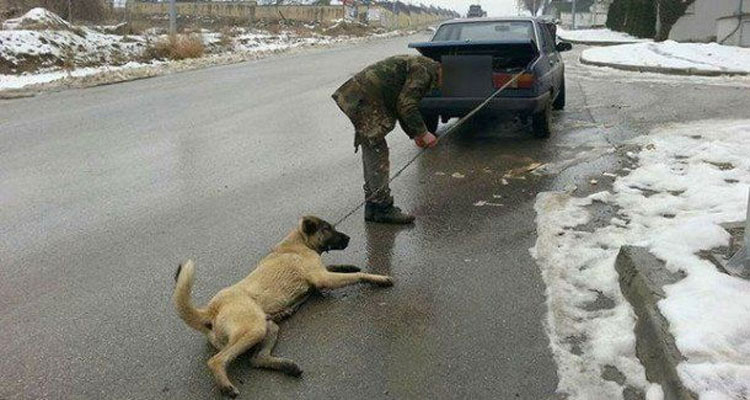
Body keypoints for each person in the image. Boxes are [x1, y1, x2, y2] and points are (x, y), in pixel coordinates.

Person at [332, 55, 440, 225]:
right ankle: (382, 208)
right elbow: (406, 105)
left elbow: (401, 105)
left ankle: (373, 206)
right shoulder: (425, 71)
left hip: (359, 95)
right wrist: (424, 133)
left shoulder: (424, 66)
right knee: (377, 151)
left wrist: (416, 134)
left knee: (372, 147)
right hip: (364, 98)